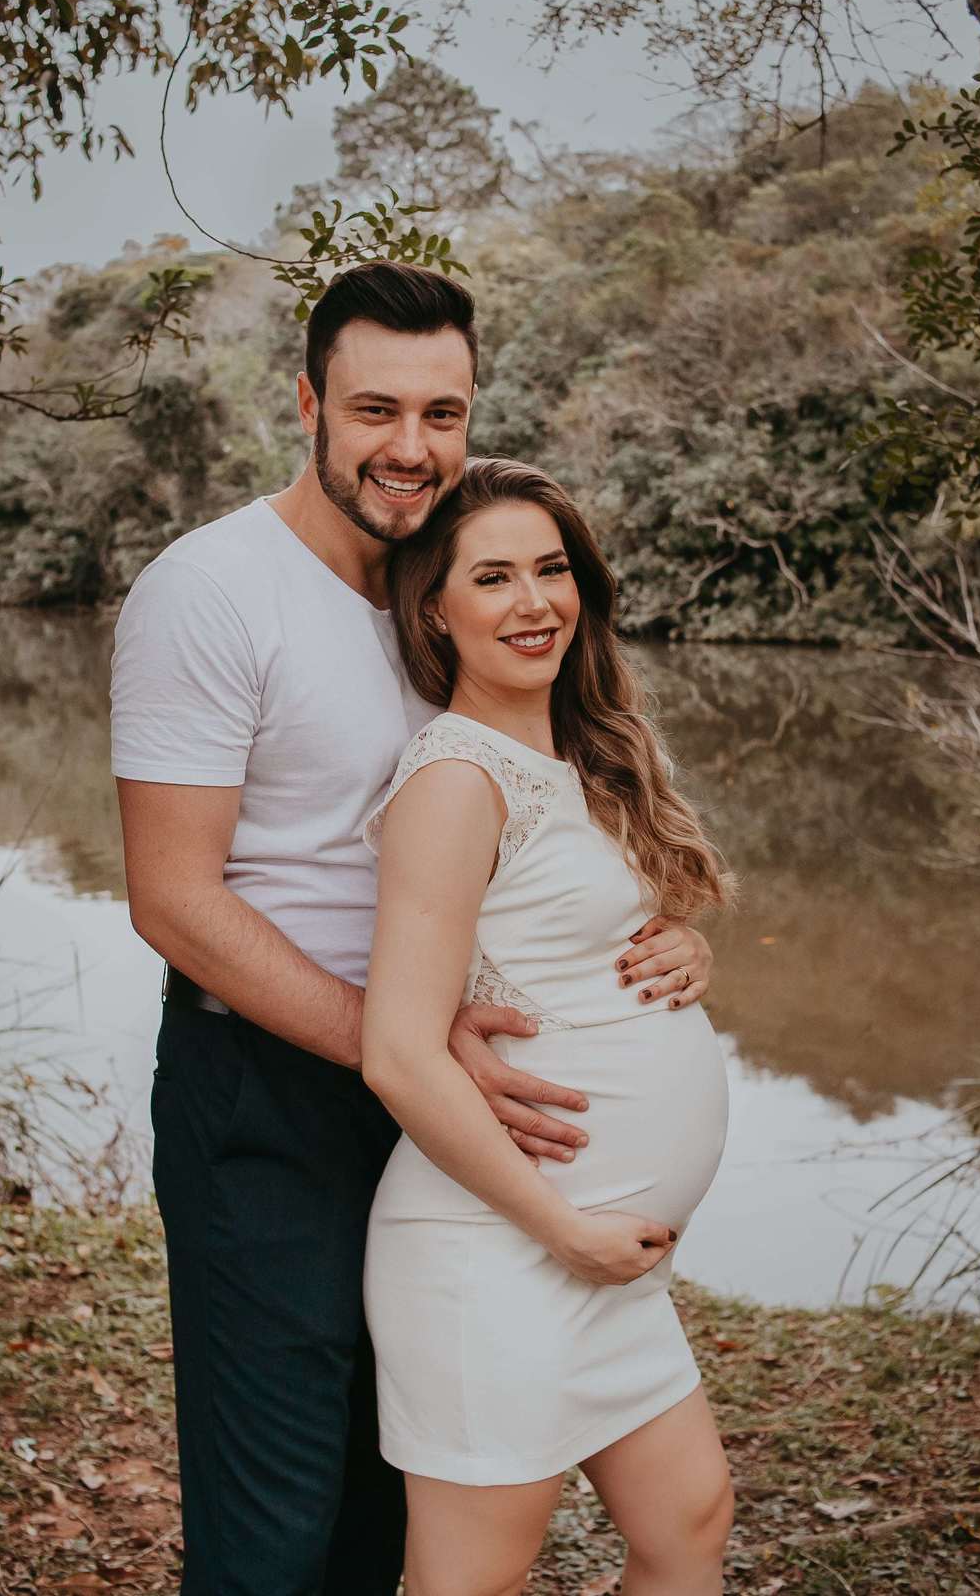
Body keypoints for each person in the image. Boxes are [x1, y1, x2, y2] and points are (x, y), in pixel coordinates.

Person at [110, 262, 715, 1596]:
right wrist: (415, 1043)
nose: (409, 447)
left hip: (441, 1107)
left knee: (397, 1492)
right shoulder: (211, 592)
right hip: (268, 1087)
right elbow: (175, 898)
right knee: (275, 1505)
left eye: (443, 413)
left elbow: (549, 845)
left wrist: (671, 943)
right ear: (309, 401)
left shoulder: (449, 596)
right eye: (375, 408)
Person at [361, 456, 735, 1596]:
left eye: (551, 569)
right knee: (476, 1579)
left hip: (600, 1269)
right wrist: (557, 1229)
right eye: (494, 578)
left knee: (691, 1524)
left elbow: (585, 951)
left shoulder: (588, 752)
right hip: (497, 1252)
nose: (535, 604)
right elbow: (398, 1050)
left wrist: (688, 952)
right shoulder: (453, 780)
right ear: (436, 607)